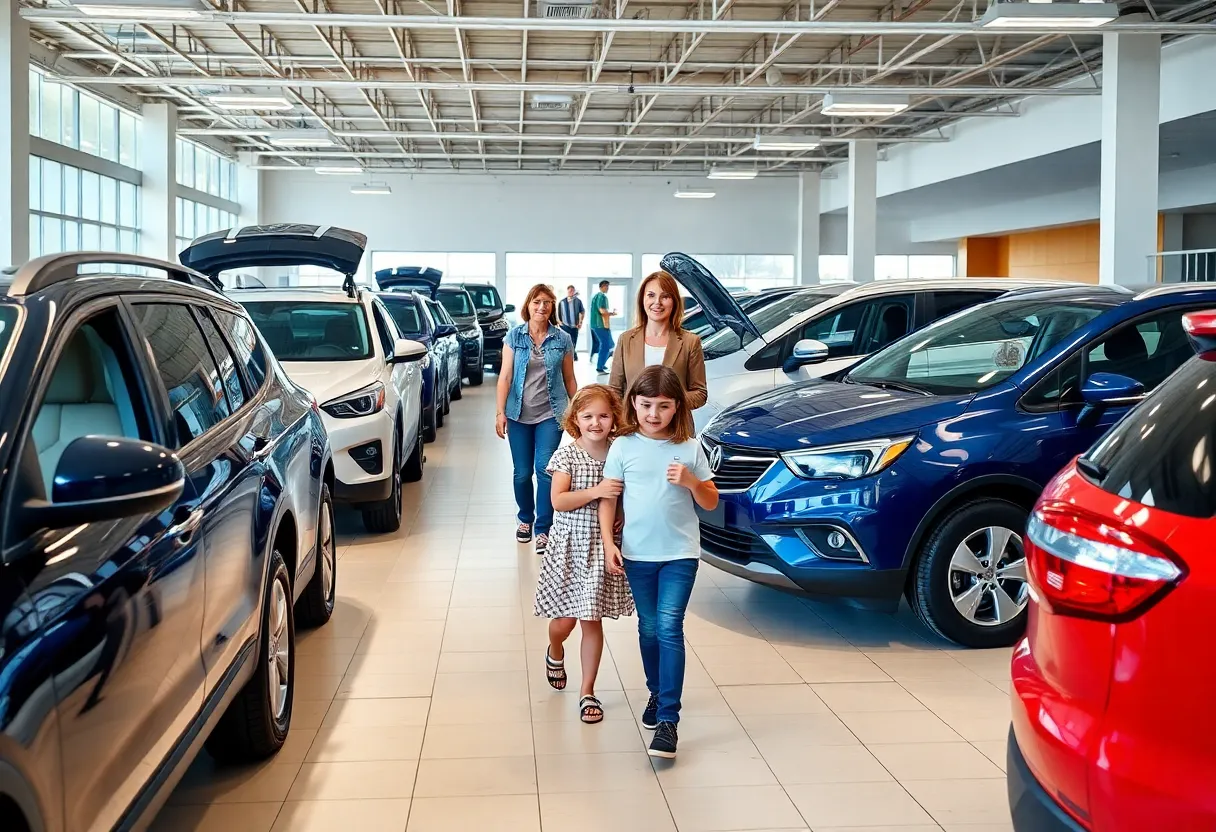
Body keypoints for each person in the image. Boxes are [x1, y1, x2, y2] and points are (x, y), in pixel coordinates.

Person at [598, 365, 718, 760]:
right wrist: (608, 543)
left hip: (680, 553)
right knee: (648, 629)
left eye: (663, 406)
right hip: (637, 554)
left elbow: (711, 501)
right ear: (633, 403)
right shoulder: (623, 446)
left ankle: (669, 719)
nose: (653, 414)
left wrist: (691, 482)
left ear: (677, 407)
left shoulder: (690, 448)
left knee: (668, 626)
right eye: (646, 404)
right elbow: (610, 498)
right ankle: (655, 690)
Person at [534, 383, 634, 724]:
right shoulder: (567, 454)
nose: (596, 422)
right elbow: (558, 501)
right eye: (588, 416)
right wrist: (597, 491)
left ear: (614, 418)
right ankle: (555, 649)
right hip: (570, 549)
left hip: (600, 549)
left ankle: (587, 690)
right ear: (575, 419)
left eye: (604, 416)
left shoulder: (618, 452)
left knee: (592, 620)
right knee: (564, 622)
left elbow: (622, 494)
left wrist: (619, 510)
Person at [496, 284, 577, 554]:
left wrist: (577, 411)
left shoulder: (562, 338)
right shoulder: (514, 336)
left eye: (547, 303)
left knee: (544, 469)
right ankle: (525, 519)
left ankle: (543, 528)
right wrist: (499, 412)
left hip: (550, 414)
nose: (542, 307)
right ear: (528, 305)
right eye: (537, 302)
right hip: (517, 413)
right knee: (521, 473)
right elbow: (505, 376)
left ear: (553, 307)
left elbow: (569, 378)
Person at [608, 271, 708, 410]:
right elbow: (614, 391)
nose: (657, 302)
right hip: (632, 428)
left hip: (675, 429)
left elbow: (700, 393)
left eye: (665, 296)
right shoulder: (626, 340)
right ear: (642, 299)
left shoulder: (690, 342)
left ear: (674, 301)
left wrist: (669, 401)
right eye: (651, 295)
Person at [589, 280, 616, 374]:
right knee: (605, 345)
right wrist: (611, 313)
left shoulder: (596, 296)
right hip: (600, 324)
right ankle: (600, 367)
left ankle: (602, 363)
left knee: (610, 344)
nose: (607, 288)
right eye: (605, 286)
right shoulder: (602, 296)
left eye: (608, 286)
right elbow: (602, 311)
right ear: (601, 287)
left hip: (596, 324)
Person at [558, 285, 585, 359]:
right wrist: (559, 322)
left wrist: (580, 322)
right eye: (569, 291)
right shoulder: (562, 302)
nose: (571, 292)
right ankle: (569, 355)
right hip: (565, 326)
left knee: (574, 341)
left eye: (572, 291)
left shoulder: (578, 301)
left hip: (575, 326)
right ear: (567, 291)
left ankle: (573, 354)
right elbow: (558, 313)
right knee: (567, 341)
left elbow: (582, 312)